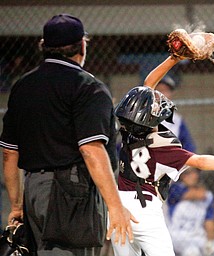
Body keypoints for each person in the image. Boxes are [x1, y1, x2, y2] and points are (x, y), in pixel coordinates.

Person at [0, 14, 137, 255]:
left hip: (33, 189)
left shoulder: (22, 86)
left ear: (44, 46)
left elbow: (9, 153)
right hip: (71, 192)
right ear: (82, 46)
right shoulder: (88, 86)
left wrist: (16, 205)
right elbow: (90, 149)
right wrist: (115, 207)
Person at [110, 55, 214, 256]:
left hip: (118, 207)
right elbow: (201, 161)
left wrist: (173, 58)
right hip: (146, 211)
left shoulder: (128, 131)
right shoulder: (164, 146)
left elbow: (148, 84)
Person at [166, 167, 214, 256]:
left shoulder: (207, 196)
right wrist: (203, 193)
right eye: (186, 173)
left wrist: (210, 243)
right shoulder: (175, 189)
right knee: (192, 251)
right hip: (177, 237)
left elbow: (209, 223)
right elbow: (194, 194)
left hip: (198, 237)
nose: (190, 176)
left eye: (193, 173)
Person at [155, 75, 196, 152]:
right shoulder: (144, 116)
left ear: (171, 94)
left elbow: (188, 146)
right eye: (159, 90)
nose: (162, 95)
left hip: (170, 160)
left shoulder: (177, 120)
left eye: (166, 91)